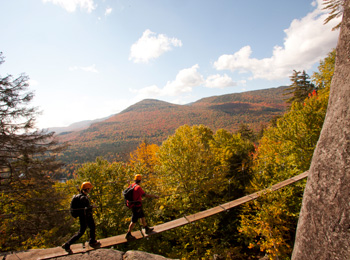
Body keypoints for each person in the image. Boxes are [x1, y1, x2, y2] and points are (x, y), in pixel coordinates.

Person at [62, 182, 101, 254]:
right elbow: (87, 208)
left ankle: (92, 241)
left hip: (82, 216)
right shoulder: (84, 198)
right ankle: (68, 244)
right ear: (87, 189)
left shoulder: (81, 195)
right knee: (82, 231)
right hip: (85, 216)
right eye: (89, 189)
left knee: (91, 227)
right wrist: (93, 207)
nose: (90, 190)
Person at [125, 174, 159, 240]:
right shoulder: (138, 187)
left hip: (137, 205)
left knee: (142, 216)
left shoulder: (132, 185)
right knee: (134, 220)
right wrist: (154, 196)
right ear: (140, 181)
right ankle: (128, 234)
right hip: (136, 206)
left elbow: (130, 189)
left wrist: (128, 183)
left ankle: (146, 228)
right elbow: (145, 195)